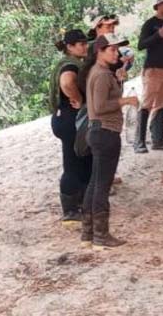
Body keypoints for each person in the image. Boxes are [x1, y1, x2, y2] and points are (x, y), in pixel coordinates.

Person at [81, 33, 139, 250]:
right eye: (112, 50)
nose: (117, 53)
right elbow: (99, 106)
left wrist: (119, 81)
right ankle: (101, 236)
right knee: (102, 185)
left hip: (97, 131)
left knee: (95, 182)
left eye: (118, 49)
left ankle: (88, 234)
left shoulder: (101, 73)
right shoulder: (102, 74)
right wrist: (125, 100)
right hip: (106, 131)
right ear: (100, 52)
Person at [49, 28, 92, 226]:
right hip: (69, 119)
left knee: (82, 159)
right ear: (70, 47)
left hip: (64, 118)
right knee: (72, 163)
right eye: (81, 44)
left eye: (86, 43)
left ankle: (83, 202)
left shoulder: (70, 63)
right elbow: (67, 83)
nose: (85, 47)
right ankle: (70, 209)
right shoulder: (70, 66)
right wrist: (79, 99)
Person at [135, 0, 163, 153]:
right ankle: (139, 141)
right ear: (158, 5)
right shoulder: (150, 23)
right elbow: (141, 45)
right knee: (146, 104)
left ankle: (158, 139)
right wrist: (157, 35)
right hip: (153, 69)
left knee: (161, 104)